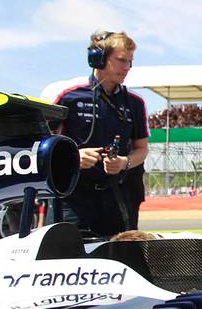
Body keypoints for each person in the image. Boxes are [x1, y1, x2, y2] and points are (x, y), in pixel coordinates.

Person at [42, 31, 148, 238]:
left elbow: (142, 149)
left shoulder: (135, 102)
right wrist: (73, 157)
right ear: (98, 59)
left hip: (116, 197)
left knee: (121, 252)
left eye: (130, 62)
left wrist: (124, 162)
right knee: (62, 251)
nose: (127, 67)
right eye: (121, 60)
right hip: (72, 196)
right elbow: (42, 142)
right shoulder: (67, 95)